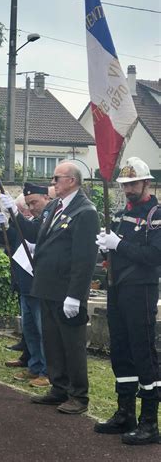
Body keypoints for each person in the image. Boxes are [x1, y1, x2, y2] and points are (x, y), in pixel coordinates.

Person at [0, 161, 100, 414]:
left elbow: (84, 258)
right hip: (46, 286)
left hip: (67, 290)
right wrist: (14, 215)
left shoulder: (85, 211)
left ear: (72, 181)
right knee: (53, 342)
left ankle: (78, 395)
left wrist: (76, 296)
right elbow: (35, 235)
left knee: (72, 345)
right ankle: (58, 387)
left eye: (57, 178)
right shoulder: (56, 206)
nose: (53, 182)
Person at [94, 157, 161, 446]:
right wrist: (105, 249)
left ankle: (149, 420)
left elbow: (153, 256)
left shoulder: (156, 215)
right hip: (118, 288)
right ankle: (125, 412)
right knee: (120, 350)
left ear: (147, 183)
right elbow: (114, 252)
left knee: (142, 351)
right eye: (124, 184)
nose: (128, 188)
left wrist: (119, 244)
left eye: (133, 183)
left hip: (141, 289)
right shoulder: (121, 213)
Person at [0, 183, 52, 388]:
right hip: (25, 284)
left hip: (39, 283)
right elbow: (11, 241)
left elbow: (33, 234)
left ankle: (47, 370)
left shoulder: (47, 220)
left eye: (34, 202)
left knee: (42, 330)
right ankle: (34, 365)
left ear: (47, 198)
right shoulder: (33, 219)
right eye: (28, 204)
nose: (31, 207)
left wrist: (15, 214)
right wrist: (4, 226)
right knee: (30, 330)